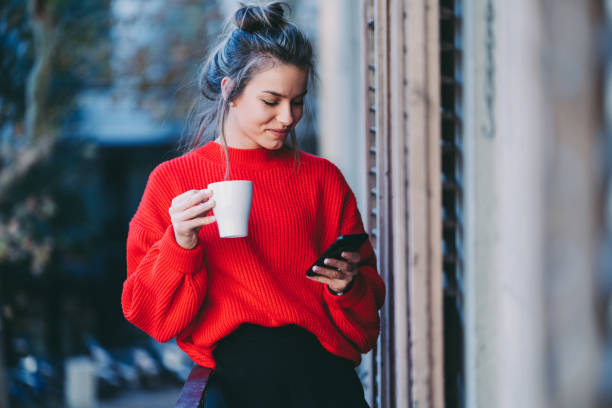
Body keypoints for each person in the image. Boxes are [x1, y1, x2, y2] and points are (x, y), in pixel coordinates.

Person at [121, 2, 385, 407]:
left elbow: (367, 324)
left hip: (325, 386)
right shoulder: (172, 182)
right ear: (231, 91)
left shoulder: (322, 179)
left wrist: (347, 285)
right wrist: (180, 244)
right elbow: (148, 314)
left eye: (297, 102)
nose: (287, 117)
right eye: (271, 100)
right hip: (234, 388)